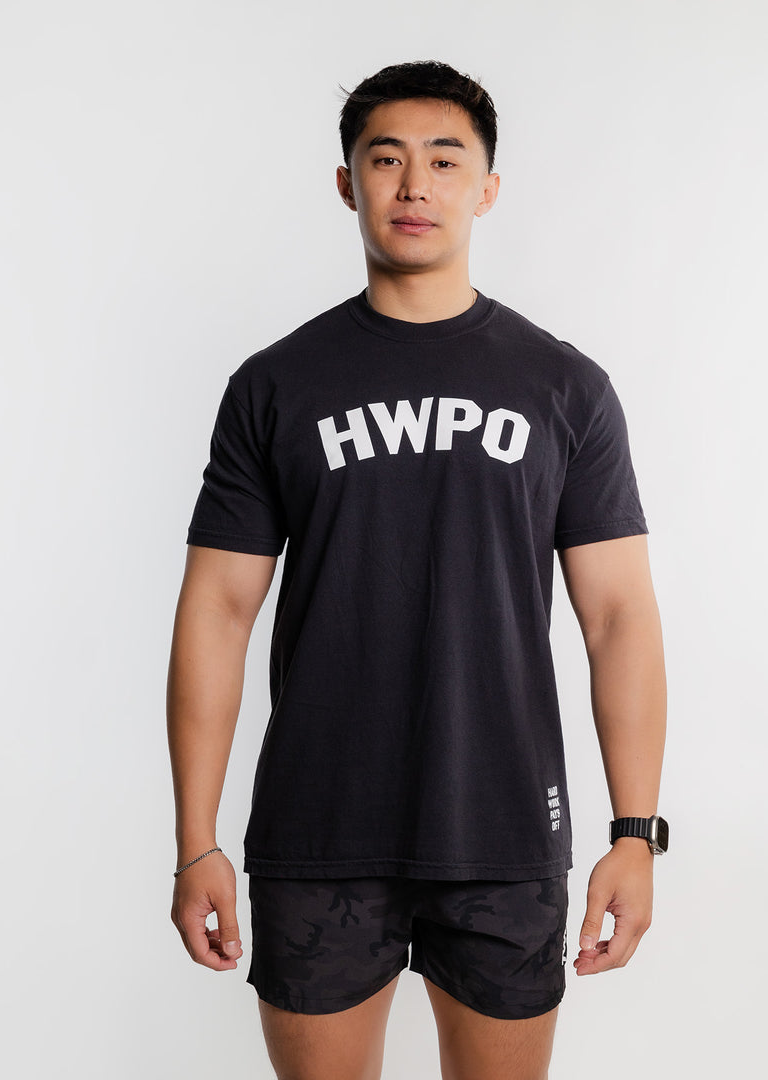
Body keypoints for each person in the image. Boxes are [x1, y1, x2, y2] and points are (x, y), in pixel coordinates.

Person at [167, 60, 667, 1080]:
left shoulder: (565, 386)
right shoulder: (275, 385)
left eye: (445, 161)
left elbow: (618, 615)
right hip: (319, 830)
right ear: (346, 182)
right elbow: (217, 610)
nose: (413, 185)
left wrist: (635, 832)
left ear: (487, 189)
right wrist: (195, 839)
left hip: (504, 829)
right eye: (385, 158)